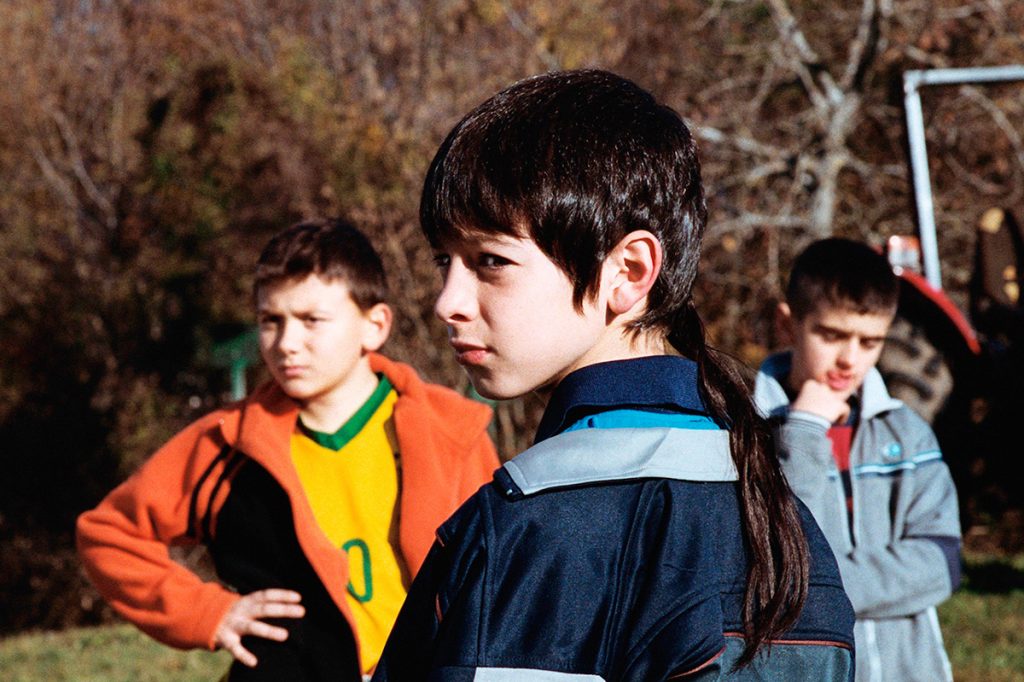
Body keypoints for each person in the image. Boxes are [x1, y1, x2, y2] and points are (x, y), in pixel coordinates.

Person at [371, 69, 855, 681]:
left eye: (490, 260)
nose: (448, 302)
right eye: (445, 261)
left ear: (628, 270)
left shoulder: (515, 533)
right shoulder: (788, 527)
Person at [76, 218, 500, 681]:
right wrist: (208, 612)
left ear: (375, 325)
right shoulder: (230, 442)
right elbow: (108, 534)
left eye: (311, 320)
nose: (286, 343)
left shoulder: (451, 433)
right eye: (270, 321)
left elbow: (504, 577)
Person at [753, 237, 962, 682]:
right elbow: (775, 562)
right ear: (787, 325)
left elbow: (941, 562)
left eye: (870, 342)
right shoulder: (748, 435)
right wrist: (803, 431)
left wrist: (816, 587)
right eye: (832, 336)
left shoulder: (906, 433)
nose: (850, 359)